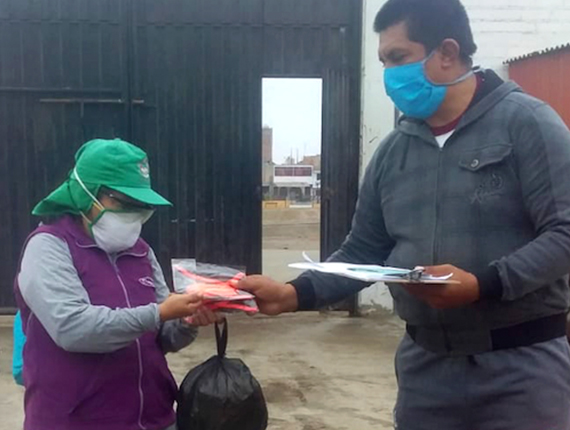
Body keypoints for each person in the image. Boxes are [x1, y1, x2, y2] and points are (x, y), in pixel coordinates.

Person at [239, 0, 570, 428]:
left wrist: (484, 284)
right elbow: (363, 250)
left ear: (447, 53)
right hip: (425, 371)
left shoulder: (526, 124)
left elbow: (565, 231)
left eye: (399, 58)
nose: (389, 76)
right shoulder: (393, 153)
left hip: (521, 368)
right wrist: (294, 293)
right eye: (383, 62)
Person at [14, 138, 221, 430]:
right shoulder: (49, 247)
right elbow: (74, 329)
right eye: (123, 203)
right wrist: (160, 312)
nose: (133, 215)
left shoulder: (140, 251)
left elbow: (161, 338)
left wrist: (187, 319)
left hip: (154, 419)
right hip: (77, 421)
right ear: (88, 193)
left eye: (141, 206)